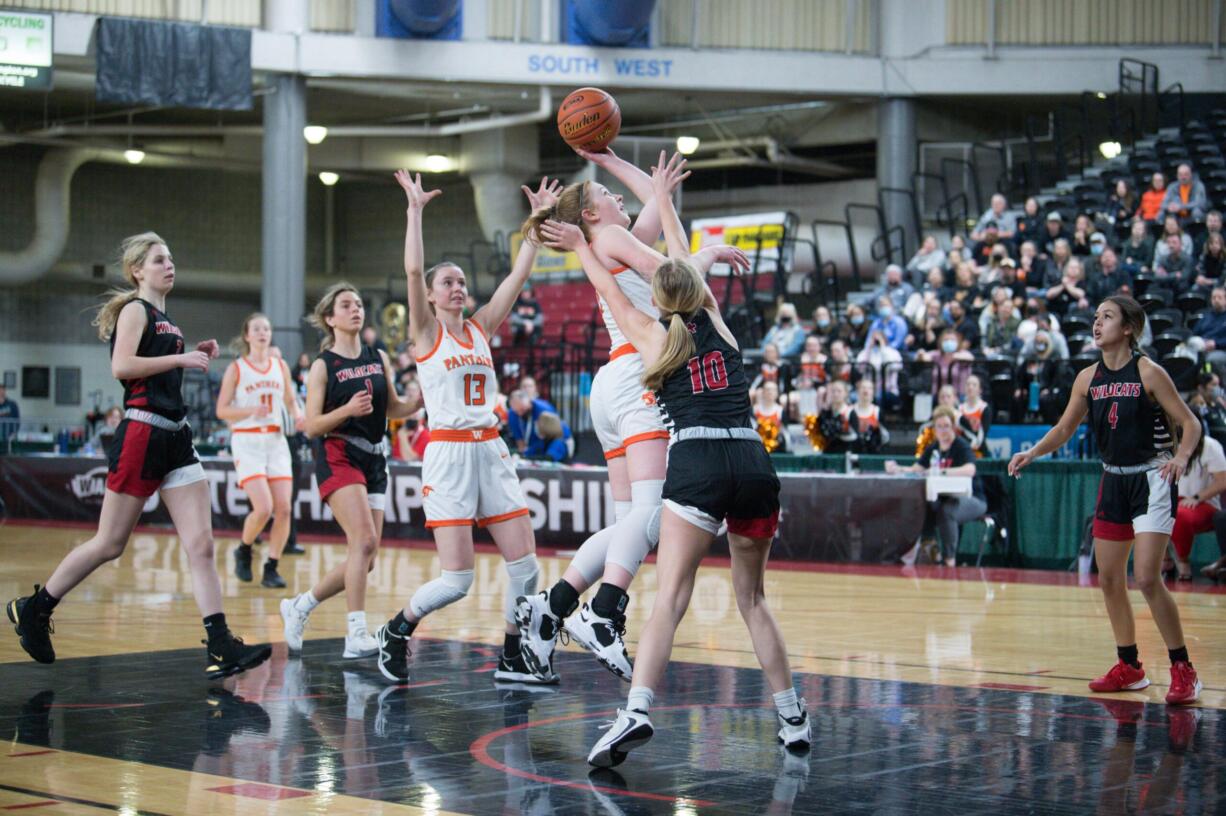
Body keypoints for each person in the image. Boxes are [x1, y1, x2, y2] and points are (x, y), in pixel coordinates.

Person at [560, 236, 808, 768]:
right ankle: (791, 717)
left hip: (697, 462)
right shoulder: (718, 322)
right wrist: (706, 251)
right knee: (753, 601)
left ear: (657, 299)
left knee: (670, 600)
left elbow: (607, 284)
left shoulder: (650, 335)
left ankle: (637, 710)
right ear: (702, 293)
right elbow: (685, 275)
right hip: (751, 461)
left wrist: (581, 243)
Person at [517, 149, 750, 683]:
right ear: (592, 215)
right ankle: (602, 614)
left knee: (631, 525)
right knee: (651, 517)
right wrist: (709, 251)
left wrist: (610, 157)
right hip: (638, 376)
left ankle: (551, 606)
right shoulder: (612, 239)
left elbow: (655, 200)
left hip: (614, 379)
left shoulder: (609, 236)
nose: (616, 195)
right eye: (604, 193)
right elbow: (677, 277)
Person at [6, 232, 271, 677]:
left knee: (201, 545)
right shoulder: (134, 310)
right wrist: (180, 360)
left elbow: (161, 367)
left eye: (170, 259)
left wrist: (191, 354)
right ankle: (36, 607)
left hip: (176, 438)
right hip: (142, 434)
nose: (170, 265)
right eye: (159, 260)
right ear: (137, 271)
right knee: (109, 543)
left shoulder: (167, 320)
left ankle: (220, 643)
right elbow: (122, 368)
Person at [369, 173, 551, 685]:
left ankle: (513, 655)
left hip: (491, 449)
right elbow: (410, 268)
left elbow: (517, 276)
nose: (458, 287)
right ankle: (397, 629)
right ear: (430, 295)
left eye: (461, 281)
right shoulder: (426, 334)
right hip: (448, 453)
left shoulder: (481, 327)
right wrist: (415, 211)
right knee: (458, 579)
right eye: (447, 282)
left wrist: (535, 224)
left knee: (527, 567)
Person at [1008, 294, 1203, 705]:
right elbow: (1063, 430)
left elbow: (1190, 423)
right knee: (1109, 577)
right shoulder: (1086, 378)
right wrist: (1032, 452)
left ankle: (1183, 668)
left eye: (1107, 317)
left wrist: (1182, 458)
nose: (1097, 324)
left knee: (1147, 577)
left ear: (1128, 328)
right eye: (1095, 317)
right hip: (1113, 479)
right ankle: (1129, 666)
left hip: (1152, 477)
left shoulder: (1149, 373)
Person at [280, 283, 417, 661]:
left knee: (367, 556)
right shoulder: (324, 364)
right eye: (346, 305)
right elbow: (310, 425)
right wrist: (346, 411)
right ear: (330, 318)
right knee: (364, 542)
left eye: (358, 304)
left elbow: (392, 407)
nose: (356, 309)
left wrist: (417, 401)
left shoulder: (377, 356)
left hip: (375, 457)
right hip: (338, 453)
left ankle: (301, 606)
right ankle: (355, 631)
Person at [215, 313, 304, 589]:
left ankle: (271, 567)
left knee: (285, 509)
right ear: (247, 335)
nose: (263, 332)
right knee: (263, 507)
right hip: (248, 441)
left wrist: (298, 415)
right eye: (257, 328)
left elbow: (290, 400)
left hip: (276, 441)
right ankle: (243, 549)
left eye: (267, 328)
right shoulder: (237, 368)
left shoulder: (280, 366)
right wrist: (250, 410)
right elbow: (221, 410)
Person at [887, 406, 986, 567]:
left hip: (973, 499)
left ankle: (950, 561)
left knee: (947, 511)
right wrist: (897, 468)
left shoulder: (961, 446)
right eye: (939, 426)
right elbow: (917, 469)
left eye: (946, 426)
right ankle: (930, 550)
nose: (943, 430)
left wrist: (943, 471)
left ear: (953, 426)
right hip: (945, 498)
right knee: (925, 506)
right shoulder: (933, 448)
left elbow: (970, 469)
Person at [1169, 430, 1226, 581]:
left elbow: (1223, 481)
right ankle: (1165, 561)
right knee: (1151, 513)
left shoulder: (1210, 445)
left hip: (1203, 502)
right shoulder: (1168, 442)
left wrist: (1197, 497)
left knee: (1179, 514)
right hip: (1172, 498)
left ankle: (1182, 563)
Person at [959, 373, 991, 455]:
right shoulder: (959, 408)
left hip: (978, 449)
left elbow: (982, 435)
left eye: (974, 385)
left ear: (980, 390)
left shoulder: (984, 408)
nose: (970, 387)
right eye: (968, 384)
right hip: (961, 450)